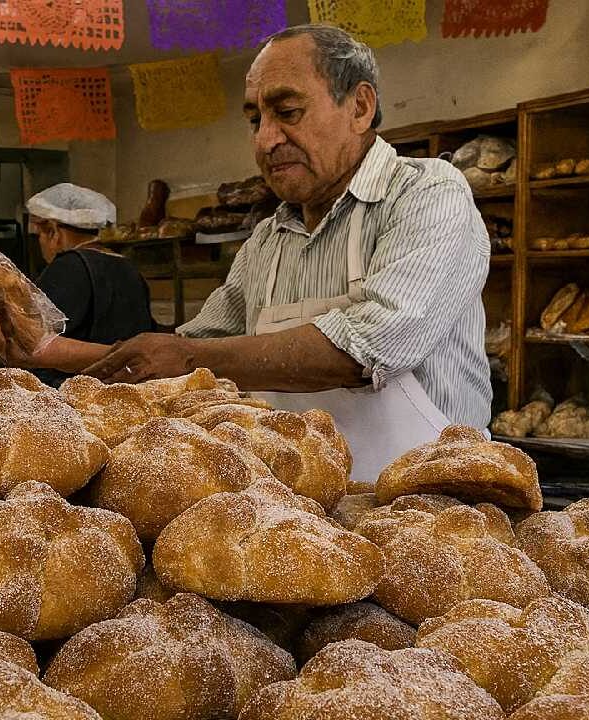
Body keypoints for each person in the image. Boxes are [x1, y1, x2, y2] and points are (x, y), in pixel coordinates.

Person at [78, 24, 494, 480]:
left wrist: (190, 357)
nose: (264, 140)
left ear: (359, 107)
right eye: (255, 120)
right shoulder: (267, 240)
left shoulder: (426, 194)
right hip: (295, 520)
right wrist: (49, 349)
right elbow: (180, 353)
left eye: (288, 112)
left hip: (430, 515)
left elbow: (370, 348)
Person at [12, 183, 154, 386]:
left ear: (53, 231)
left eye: (39, 235)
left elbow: (31, 340)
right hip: (130, 384)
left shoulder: (67, 266)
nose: (40, 242)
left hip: (78, 388)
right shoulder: (128, 266)